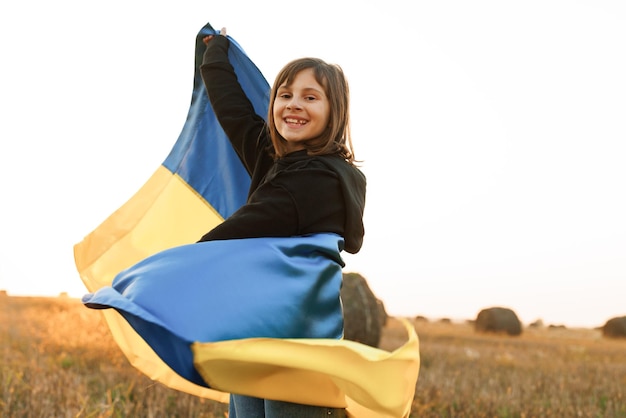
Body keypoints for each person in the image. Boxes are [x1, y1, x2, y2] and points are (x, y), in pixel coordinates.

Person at [198, 28, 366, 418]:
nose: (293, 105)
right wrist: (216, 53)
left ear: (333, 111)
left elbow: (247, 226)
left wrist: (177, 268)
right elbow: (232, 109)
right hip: (254, 322)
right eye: (285, 95)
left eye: (310, 97)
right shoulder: (270, 156)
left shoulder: (321, 178)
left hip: (298, 335)